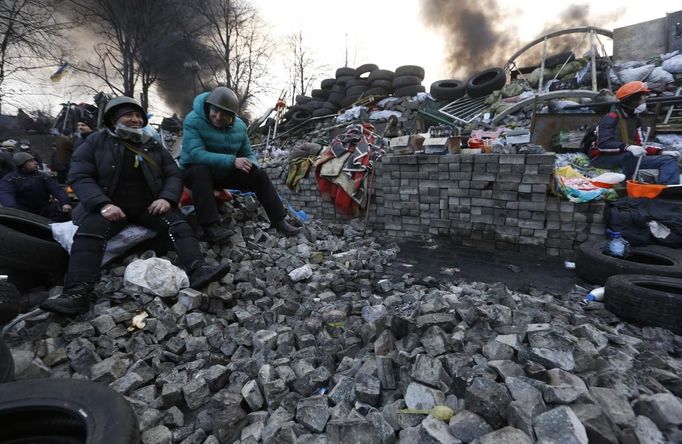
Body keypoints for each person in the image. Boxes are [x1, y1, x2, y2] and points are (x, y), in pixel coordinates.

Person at [40, 96, 230, 316]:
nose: (136, 119)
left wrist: (167, 199)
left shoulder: (152, 144)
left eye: (139, 115)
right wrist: (102, 205)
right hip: (110, 207)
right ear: (113, 119)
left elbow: (173, 174)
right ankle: (76, 293)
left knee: (178, 224)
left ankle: (197, 269)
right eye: (129, 115)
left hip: (147, 206)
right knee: (89, 233)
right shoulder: (94, 141)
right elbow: (80, 176)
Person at [180, 86, 300, 243]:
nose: (217, 117)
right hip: (194, 173)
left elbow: (247, 153)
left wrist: (253, 165)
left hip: (222, 173)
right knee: (200, 171)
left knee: (259, 175)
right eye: (215, 111)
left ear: (232, 116)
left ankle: (279, 220)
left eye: (224, 114)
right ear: (209, 106)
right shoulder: (193, 120)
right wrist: (232, 161)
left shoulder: (239, 127)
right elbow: (196, 154)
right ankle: (210, 228)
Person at [589, 81, 680, 185]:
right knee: (630, 156)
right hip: (602, 159)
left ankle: (667, 190)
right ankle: (627, 187)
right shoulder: (611, 118)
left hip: (626, 157)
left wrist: (660, 152)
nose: (645, 98)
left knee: (668, 160)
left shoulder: (636, 119)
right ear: (632, 99)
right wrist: (628, 147)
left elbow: (640, 146)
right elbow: (603, 145)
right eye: (643, 96)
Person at [0, 152, 72, 221]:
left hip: (44, 209)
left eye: (34, 160)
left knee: (63, 214)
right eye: (30, 161)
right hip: (23, 212)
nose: (35, 163)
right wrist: (14, 210)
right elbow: (6, 195)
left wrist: (65, 202)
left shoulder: (42, 176)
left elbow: (56, 189)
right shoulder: (9, 179)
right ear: (22, 165)